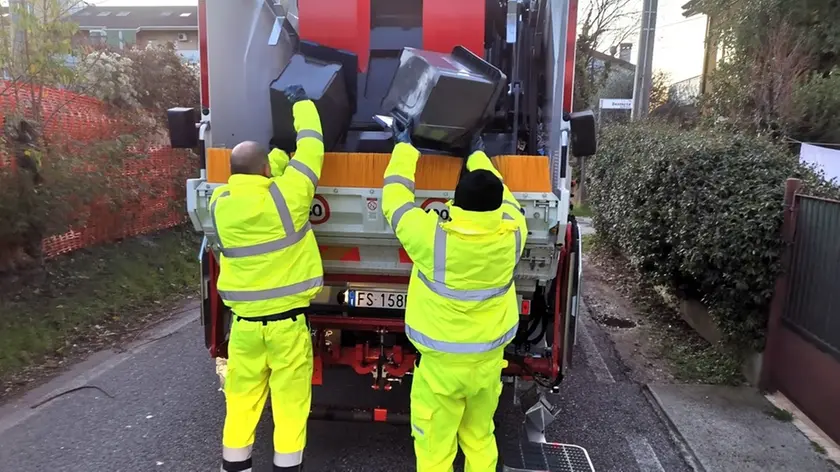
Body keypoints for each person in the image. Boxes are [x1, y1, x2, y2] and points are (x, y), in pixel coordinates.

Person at [381, 120, 528, 472]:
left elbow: (394, 201)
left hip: (440, 372)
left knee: (435, 450)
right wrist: (478, 155)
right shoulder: (514, 235)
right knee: (480, 439)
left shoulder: (433, 240)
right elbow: (506, 198)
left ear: (455, 205)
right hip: (486, 368)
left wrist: (404, 148)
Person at [210, 85, 323, 472]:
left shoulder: (220, 205)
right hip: (286, 328)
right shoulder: (288, 196)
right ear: (265, 171)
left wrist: (272, 157)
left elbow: (254, 178)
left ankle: (234, 466)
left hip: (244, 328)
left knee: (241, 403)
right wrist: (302, 104)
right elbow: (312, 148)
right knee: (290, 405)